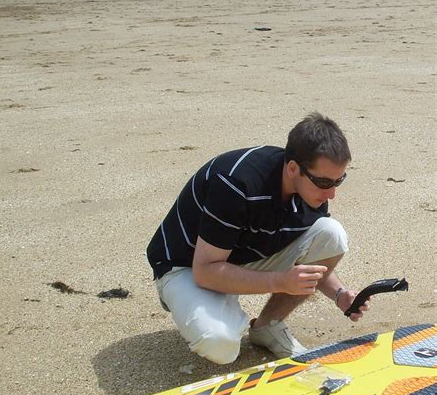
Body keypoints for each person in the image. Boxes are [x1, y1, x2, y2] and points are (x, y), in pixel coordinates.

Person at [147, 113, 369, 365]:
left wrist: (339, 295)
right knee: (220, 345)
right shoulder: (236, 183)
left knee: (332, 234)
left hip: (235, 259)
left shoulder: (311, 193)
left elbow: (311, 268)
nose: (331, 193)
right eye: (323, 182)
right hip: (187, 267)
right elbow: (204, 272)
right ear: (293, 167)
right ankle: (183, 299)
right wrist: (280, 281)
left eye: (338, 180)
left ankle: (267, 327)